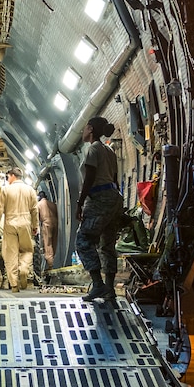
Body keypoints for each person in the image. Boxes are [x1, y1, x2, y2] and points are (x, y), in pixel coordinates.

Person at [73, 115, 123, 305]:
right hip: (113, 197)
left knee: (83, 240)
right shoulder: (109, 151)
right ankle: (109, 289)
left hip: (100, 197)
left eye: (85, 127)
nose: (82, 131)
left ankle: (97, 284)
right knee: (107, 244)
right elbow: (115, 178)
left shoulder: (93, 149)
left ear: (91, 129)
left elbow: (90, 177)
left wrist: (80, 203)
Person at [0, 167, 38, 290]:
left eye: (8, 177)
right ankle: (24, 270)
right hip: (25, 223)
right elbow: (35, 209)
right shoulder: (30, 190)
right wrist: (35, 226)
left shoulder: (6, 190)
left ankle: (14, 284)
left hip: (10, 224)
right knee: (27, 250)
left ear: (13, 175)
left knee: (10, 254)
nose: (8, 179)